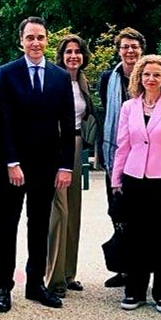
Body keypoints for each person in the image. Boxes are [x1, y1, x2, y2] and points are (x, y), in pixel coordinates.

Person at [0, 16, 75, 311]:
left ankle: (35, 284)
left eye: (40, 37)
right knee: (7, 224)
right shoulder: (7, 73)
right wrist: (11, 161)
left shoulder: (60, 77)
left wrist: (66, 166)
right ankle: (3, 285)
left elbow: (67, 125)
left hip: (46, 166)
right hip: (12, 165)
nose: (35, 43)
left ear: (46, 40)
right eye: (30, 38)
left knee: (39, 225)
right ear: (21, 41)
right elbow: (0, 121)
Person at [112, 55, 161, 312]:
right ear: (139, 78)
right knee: (135, 237)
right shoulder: (129, 107)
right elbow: (123, 145)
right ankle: (134, 290)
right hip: (134, 180)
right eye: (146, 75)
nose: (151, 79)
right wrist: (116, 180)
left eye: (156, 74)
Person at [46, 34, 93, 297]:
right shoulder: (55, 80)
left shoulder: (83, 82)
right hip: (57, 147)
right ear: (61, 56)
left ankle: (68, 273)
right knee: (59, 211)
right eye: (68, 52)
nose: (73, 56)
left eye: (77, 51)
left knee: (74, 211)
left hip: (77, 145)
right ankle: (53, 277)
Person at [99, 27, 145, 287]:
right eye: (125, 47)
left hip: (145, 158)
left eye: (134, 47)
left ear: (141, 50)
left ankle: (141, 270)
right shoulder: (109, 79)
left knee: (142, 215)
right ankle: (123, 268)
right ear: (119, 51)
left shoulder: (151, 75)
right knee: (117, 212)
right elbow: (106, 115)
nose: (130, 51)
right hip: (115, 153)